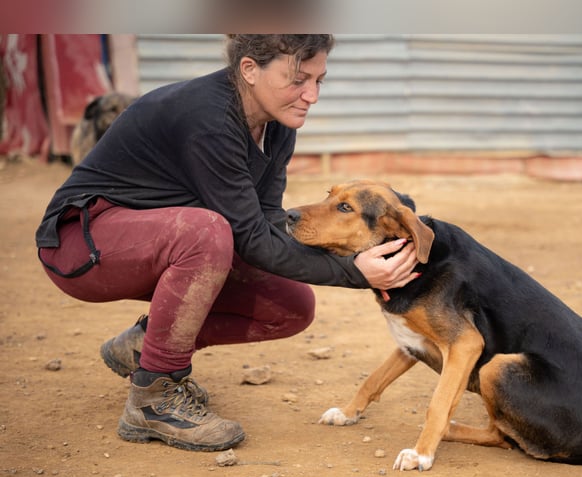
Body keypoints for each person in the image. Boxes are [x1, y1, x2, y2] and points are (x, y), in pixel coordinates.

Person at [35, 34, 419, 452]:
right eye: (297, 80)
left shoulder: (275, 124)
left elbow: (267, 218)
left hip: (155, 241)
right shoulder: (209, 116)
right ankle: (153, 398)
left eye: (319, 81)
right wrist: (354, 273)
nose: (310, 95)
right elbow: (248, 235)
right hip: (82, 245)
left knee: (291, 307)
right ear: (249, 70)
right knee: (209, 232)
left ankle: (143, 347)